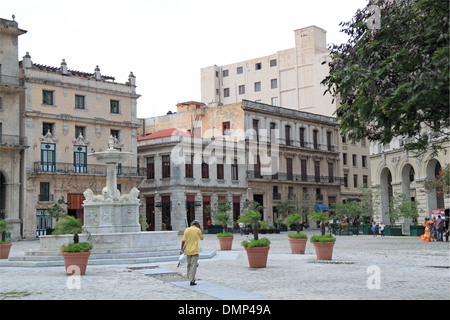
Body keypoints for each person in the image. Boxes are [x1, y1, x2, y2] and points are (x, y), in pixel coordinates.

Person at [180, 220, 204, 286]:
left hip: (188, 250)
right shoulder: (197, 230)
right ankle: (192, 280)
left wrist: (181, 249)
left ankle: (189, 276)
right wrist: (200, 228)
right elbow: (202, 238)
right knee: (194, 265)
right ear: (197, 225)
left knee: (189, 264)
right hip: (195, 250)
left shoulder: (186, 230)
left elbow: (183, 241)